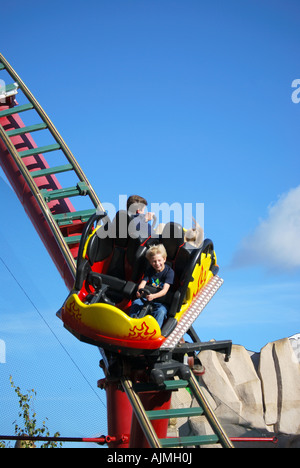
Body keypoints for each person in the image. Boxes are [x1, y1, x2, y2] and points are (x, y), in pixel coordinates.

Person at [129, 244, 174, 328]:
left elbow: (164, 291)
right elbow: (142, 283)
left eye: (159, 260)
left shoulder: (169, 272)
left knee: (161, 311)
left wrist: (153, 296)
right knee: (135, 303)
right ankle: (132, 325)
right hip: (147, 297)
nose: (157, 264)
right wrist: (140, 291)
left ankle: (154, 330)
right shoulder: (150, 270)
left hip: (161, 301)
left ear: (164, 259)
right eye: (154, 261)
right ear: (150, 262)